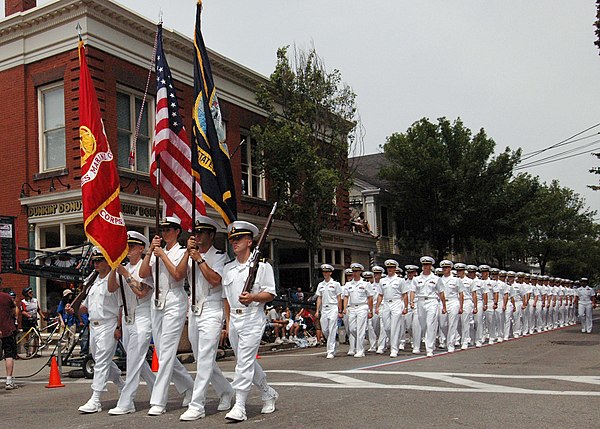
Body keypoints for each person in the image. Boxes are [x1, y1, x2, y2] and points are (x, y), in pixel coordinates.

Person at [176, 216, 234, 421]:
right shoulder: (191, 254)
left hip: (211, 308)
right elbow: (178, 275)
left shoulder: (220, 256)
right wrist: (187, 254)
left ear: (211, 235)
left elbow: (216, 280)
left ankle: (197, 404)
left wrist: (199, 259)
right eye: (196, 233)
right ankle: (226, 390)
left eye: (201, 233)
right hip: (194, 310)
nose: (198, 236)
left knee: (206, 358)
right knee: (202, 358)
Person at [222, 220, 278, 422]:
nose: (234, 242)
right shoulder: (228, 268)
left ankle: (239, 406)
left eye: (238, 239)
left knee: (244, 363)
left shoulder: (262, 267)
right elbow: (225, 298)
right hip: (235, 319)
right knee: (245, 361)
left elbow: (270, 293)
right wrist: (227, 323)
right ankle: (267, 391)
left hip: (253, 317)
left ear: (249, 241)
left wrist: (253, 297)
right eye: (232, 239)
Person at [139, 216, 194, 416]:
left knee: (168, 350)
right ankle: (189, 386)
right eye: (162, 230)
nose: (165, 233)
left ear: (177, 231)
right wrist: (149, 252)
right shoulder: (156, 251)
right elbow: (144, 273)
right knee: (163, 352)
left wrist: (162, 255)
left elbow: (178, 275)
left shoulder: (181, 251)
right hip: (157, 300)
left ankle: (159, 400)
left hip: (174, 299)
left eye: (169, 229)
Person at [107, 231, 156, 415]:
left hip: (143, 316)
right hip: (127, 319)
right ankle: (166, 388)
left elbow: (141, 292)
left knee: (134, 361)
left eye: (132, 247)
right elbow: (111, 288)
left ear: (141, 249)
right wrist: (114, 267)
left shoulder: (145, 267)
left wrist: (125, 273)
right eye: (126, 247)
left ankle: (127, 402)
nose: (128, 250)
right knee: (138, 360)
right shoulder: (124, 267)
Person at [78, 247, 125, 413]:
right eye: (94, 261)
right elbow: (86, 306)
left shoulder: (114, 279)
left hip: (109, 324)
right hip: (94, 325)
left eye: (99, 260)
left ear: (107, 262)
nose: (96, 264)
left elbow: (121, 306)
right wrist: (74, 309)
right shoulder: (93, 282)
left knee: (102, 361)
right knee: (99, 360)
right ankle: (121, 384)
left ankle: (95, 399)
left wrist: (119, 327)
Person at [409, 256, 446, 357]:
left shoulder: (436, 279)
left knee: (430, 324)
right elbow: (412, 291)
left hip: (432, 301)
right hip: (420, 301)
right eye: (424, 265)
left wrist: (444, 306)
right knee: (421, 325)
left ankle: (429, 348)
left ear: (431, 266)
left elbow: (441, 292)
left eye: (427, 265)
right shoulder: (416, 279)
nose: (425, 266)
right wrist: (411, 301)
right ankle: (419, 345)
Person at [376, 259, 408, 358]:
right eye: (388, 267)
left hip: (396, 302)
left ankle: (394, 349)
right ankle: (394, 341)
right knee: (386, 327)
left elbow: (405, 294)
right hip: (386, 303)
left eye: (392, 267)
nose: (390, 269)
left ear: (395, 269)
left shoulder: (400, 280)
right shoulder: (382, 280)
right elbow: (380, 295)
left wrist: (405, 307)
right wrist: (377, 306)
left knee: (394, 326)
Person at [343, 263, 374, 358]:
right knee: (352, 329)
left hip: (362, 307)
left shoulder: (365, 283)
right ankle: (361, 340)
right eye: (353, 271)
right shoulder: (348, 284)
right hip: (352, 307)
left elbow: (370, 298)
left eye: (356, 271)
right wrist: (344, 308)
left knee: (360, 329)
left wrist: (370, 310)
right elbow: (346, 297)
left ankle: (360, 350)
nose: (355, 273)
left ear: (360, 272)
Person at [314, 264, 342, 358]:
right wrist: (317, 310)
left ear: (330, 273)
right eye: (324, 272)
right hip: (324, 308)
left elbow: (339, 298)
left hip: (333, 307)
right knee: (325, 329)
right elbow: (319, 298)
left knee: (332, 328)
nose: (325, 273)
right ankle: (333, 342)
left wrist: (340, 310)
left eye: (327, 272)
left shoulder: (335, 284)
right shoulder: (320, 285)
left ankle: (330, 351)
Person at [0, 287, 18, 390]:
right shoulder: (6, 297)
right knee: (8, 354)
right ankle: (9, 381)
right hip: (7, 330)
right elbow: (14, 309)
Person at [57, 289, 78, 353]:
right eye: (69, 294)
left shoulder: (74, 302)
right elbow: (59, 313)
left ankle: (69, 352)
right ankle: (62, 351)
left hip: (72, 322)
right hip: (64, 322)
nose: (70, 296)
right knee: (63, 337)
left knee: (72, 337)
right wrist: (62, 322)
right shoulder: (62, 303)